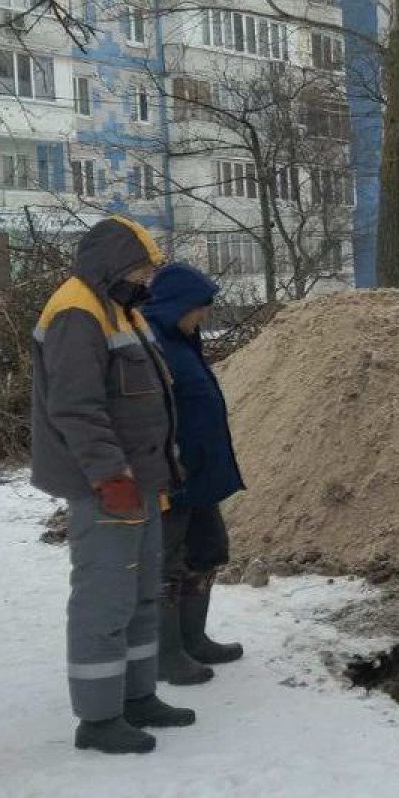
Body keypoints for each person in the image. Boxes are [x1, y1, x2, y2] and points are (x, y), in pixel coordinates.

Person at [31, 218, 196, 753]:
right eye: (141, 267)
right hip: (107, 487)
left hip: (142, 480)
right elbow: (77, 408)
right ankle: (99, 720)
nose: (146, 278)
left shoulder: (119, 306)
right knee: (104, 599)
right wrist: (109, 476)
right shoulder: (77, 312)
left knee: (141, 593)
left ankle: (137, 696)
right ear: (115, 263)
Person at [140, 262, 246, 683]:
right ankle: (166, 654)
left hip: (200, 473)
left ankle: (193, 638)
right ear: (175, 306)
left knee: (208, 549)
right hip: (172, 475)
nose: (203, 316)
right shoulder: (153, 345)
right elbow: (147, 414)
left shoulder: (183, 342)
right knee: (168, 562)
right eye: (198, 308)